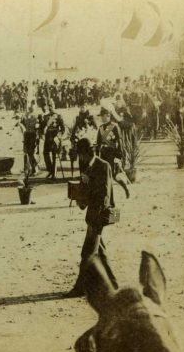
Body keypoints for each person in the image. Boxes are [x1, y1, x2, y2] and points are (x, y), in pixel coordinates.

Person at [66, 137, 119, 297]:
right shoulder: (88, 167)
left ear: (86, 153)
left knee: (87, 254)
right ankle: (113, 284)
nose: (79, 158)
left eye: (80, 154)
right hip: (92, 216)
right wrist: (79, 196)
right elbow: (87, 195)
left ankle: (80, 288)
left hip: (98, 217)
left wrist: (89, 182)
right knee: (100, 253)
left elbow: (104, 194)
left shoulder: (103, 166)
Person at [96, 105, 131, 198]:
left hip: (112, 154)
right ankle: (107, 196)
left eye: (103, 116)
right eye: (101, 116)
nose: (102, 118)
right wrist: (97, 155)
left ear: (108, 116)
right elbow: (98, 142)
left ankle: (125, 188)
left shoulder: (114, 126)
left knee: (114, 176)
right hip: (103, 154)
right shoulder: (100, 128)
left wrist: (118, 156)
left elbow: (119, 142)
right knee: (105, 176)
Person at [41, 103, 65, 179]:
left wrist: (58, 136)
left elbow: (63, 128)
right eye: (49, 106)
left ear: (54, 106)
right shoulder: (46, 116)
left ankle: (54, 173)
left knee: (54, 155)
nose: (51, 108)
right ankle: (50, 169)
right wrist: (42, 132)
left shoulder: (58, 116)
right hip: (48, 137)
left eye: (52, 106)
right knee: (45, 153)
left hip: (55, 138)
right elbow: (42, 127)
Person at [17, 106, 40, 176]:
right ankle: (31, 168)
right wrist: (23, 129)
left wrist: (37, 136)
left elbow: (38, 127)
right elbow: (20, 123)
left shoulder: (37, 116)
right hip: (27, 135)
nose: (30, 109)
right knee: (27, 152)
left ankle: (35, 168)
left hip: (33, 135)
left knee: (32, 153)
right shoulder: (25, 116)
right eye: (29, 108)